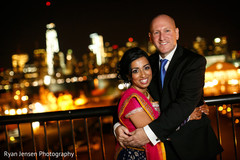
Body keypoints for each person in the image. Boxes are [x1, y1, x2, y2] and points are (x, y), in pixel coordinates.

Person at [115, 14, 223, 160]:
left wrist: (148, 133)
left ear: (177, 33)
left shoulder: (194, 62)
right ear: (150, 37)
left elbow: (184, 104)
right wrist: (117, 126)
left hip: (193, 146)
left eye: (167, 30)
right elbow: (131, 98)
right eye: (156, 32)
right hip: (163, 151)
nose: (162, 37)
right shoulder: (147, 65)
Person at [115, 47, 210, 160]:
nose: (143, 75)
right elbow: (157, 131)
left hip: (193, 146)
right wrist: (188, 117)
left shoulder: (146, 92)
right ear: (128, 75)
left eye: (146, 68)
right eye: (135, 71)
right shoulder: (133, 99)